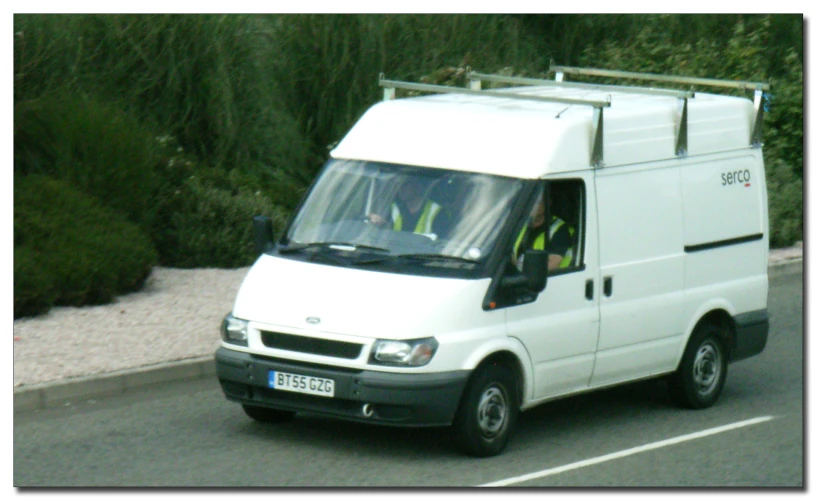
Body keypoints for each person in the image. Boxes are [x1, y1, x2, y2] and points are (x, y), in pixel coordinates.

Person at [367, 176, 450, 236]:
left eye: (405, 184)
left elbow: (441, 245)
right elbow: (387, 235)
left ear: (417, 186)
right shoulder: (394, 208)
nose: (400, 188)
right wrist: (381, 224)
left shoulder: (438, 213)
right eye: (399, 184)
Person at [513, 193, 574, 271]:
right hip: (518, 277)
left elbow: (552, 264)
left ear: (548, 203)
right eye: (530, 201)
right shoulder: (521, 224)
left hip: (551, 280)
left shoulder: (560, 229)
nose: (533, 205)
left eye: (537, 201)